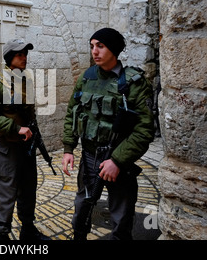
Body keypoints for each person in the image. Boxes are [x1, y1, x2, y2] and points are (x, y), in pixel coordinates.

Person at [61, 28, 155, 240]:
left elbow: (145, 129)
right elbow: (72, 113)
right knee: (82, 207)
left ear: (114, 49)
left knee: (121, 216)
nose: (94, 51)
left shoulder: (134, 83)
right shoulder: (86, 77)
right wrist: (68, 148)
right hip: (89, 157)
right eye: (92, 46)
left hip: (118, 160)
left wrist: (118, 161)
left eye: (100, 46)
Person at [0, 39, 50, 241]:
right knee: (6, 192)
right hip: (7, 148)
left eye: (25, 54)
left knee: (29, 188)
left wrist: (33, 132)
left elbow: (29, 113)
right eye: (20, 54)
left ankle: (28, 229)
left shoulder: (24, 79)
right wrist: (17, 129)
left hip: (26, 147)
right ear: (10, 57)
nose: (24, 58)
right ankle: (3, 235)